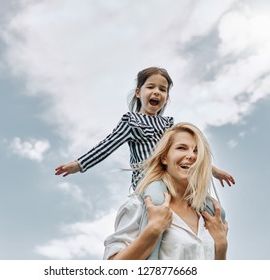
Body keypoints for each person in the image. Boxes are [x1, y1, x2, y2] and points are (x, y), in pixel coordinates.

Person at [55, 67, 235, 190]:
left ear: (166, 97)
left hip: (173, 178)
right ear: (138, 92)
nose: (157, 92)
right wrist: (79, 165)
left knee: (207, 206)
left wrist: (213, 170)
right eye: (151, 87)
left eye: (162, 90)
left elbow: (186, 156)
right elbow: (107, 145)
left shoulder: (168, 126)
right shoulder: (132, 121)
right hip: (149, 181)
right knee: (157, 202)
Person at [103, 122, 228, 260]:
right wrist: (153, 230)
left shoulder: (209, 217)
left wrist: (221, 247)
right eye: (182, 148)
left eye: (197, 151)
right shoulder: (141, 205)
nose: (191, 156)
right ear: (164, 158)